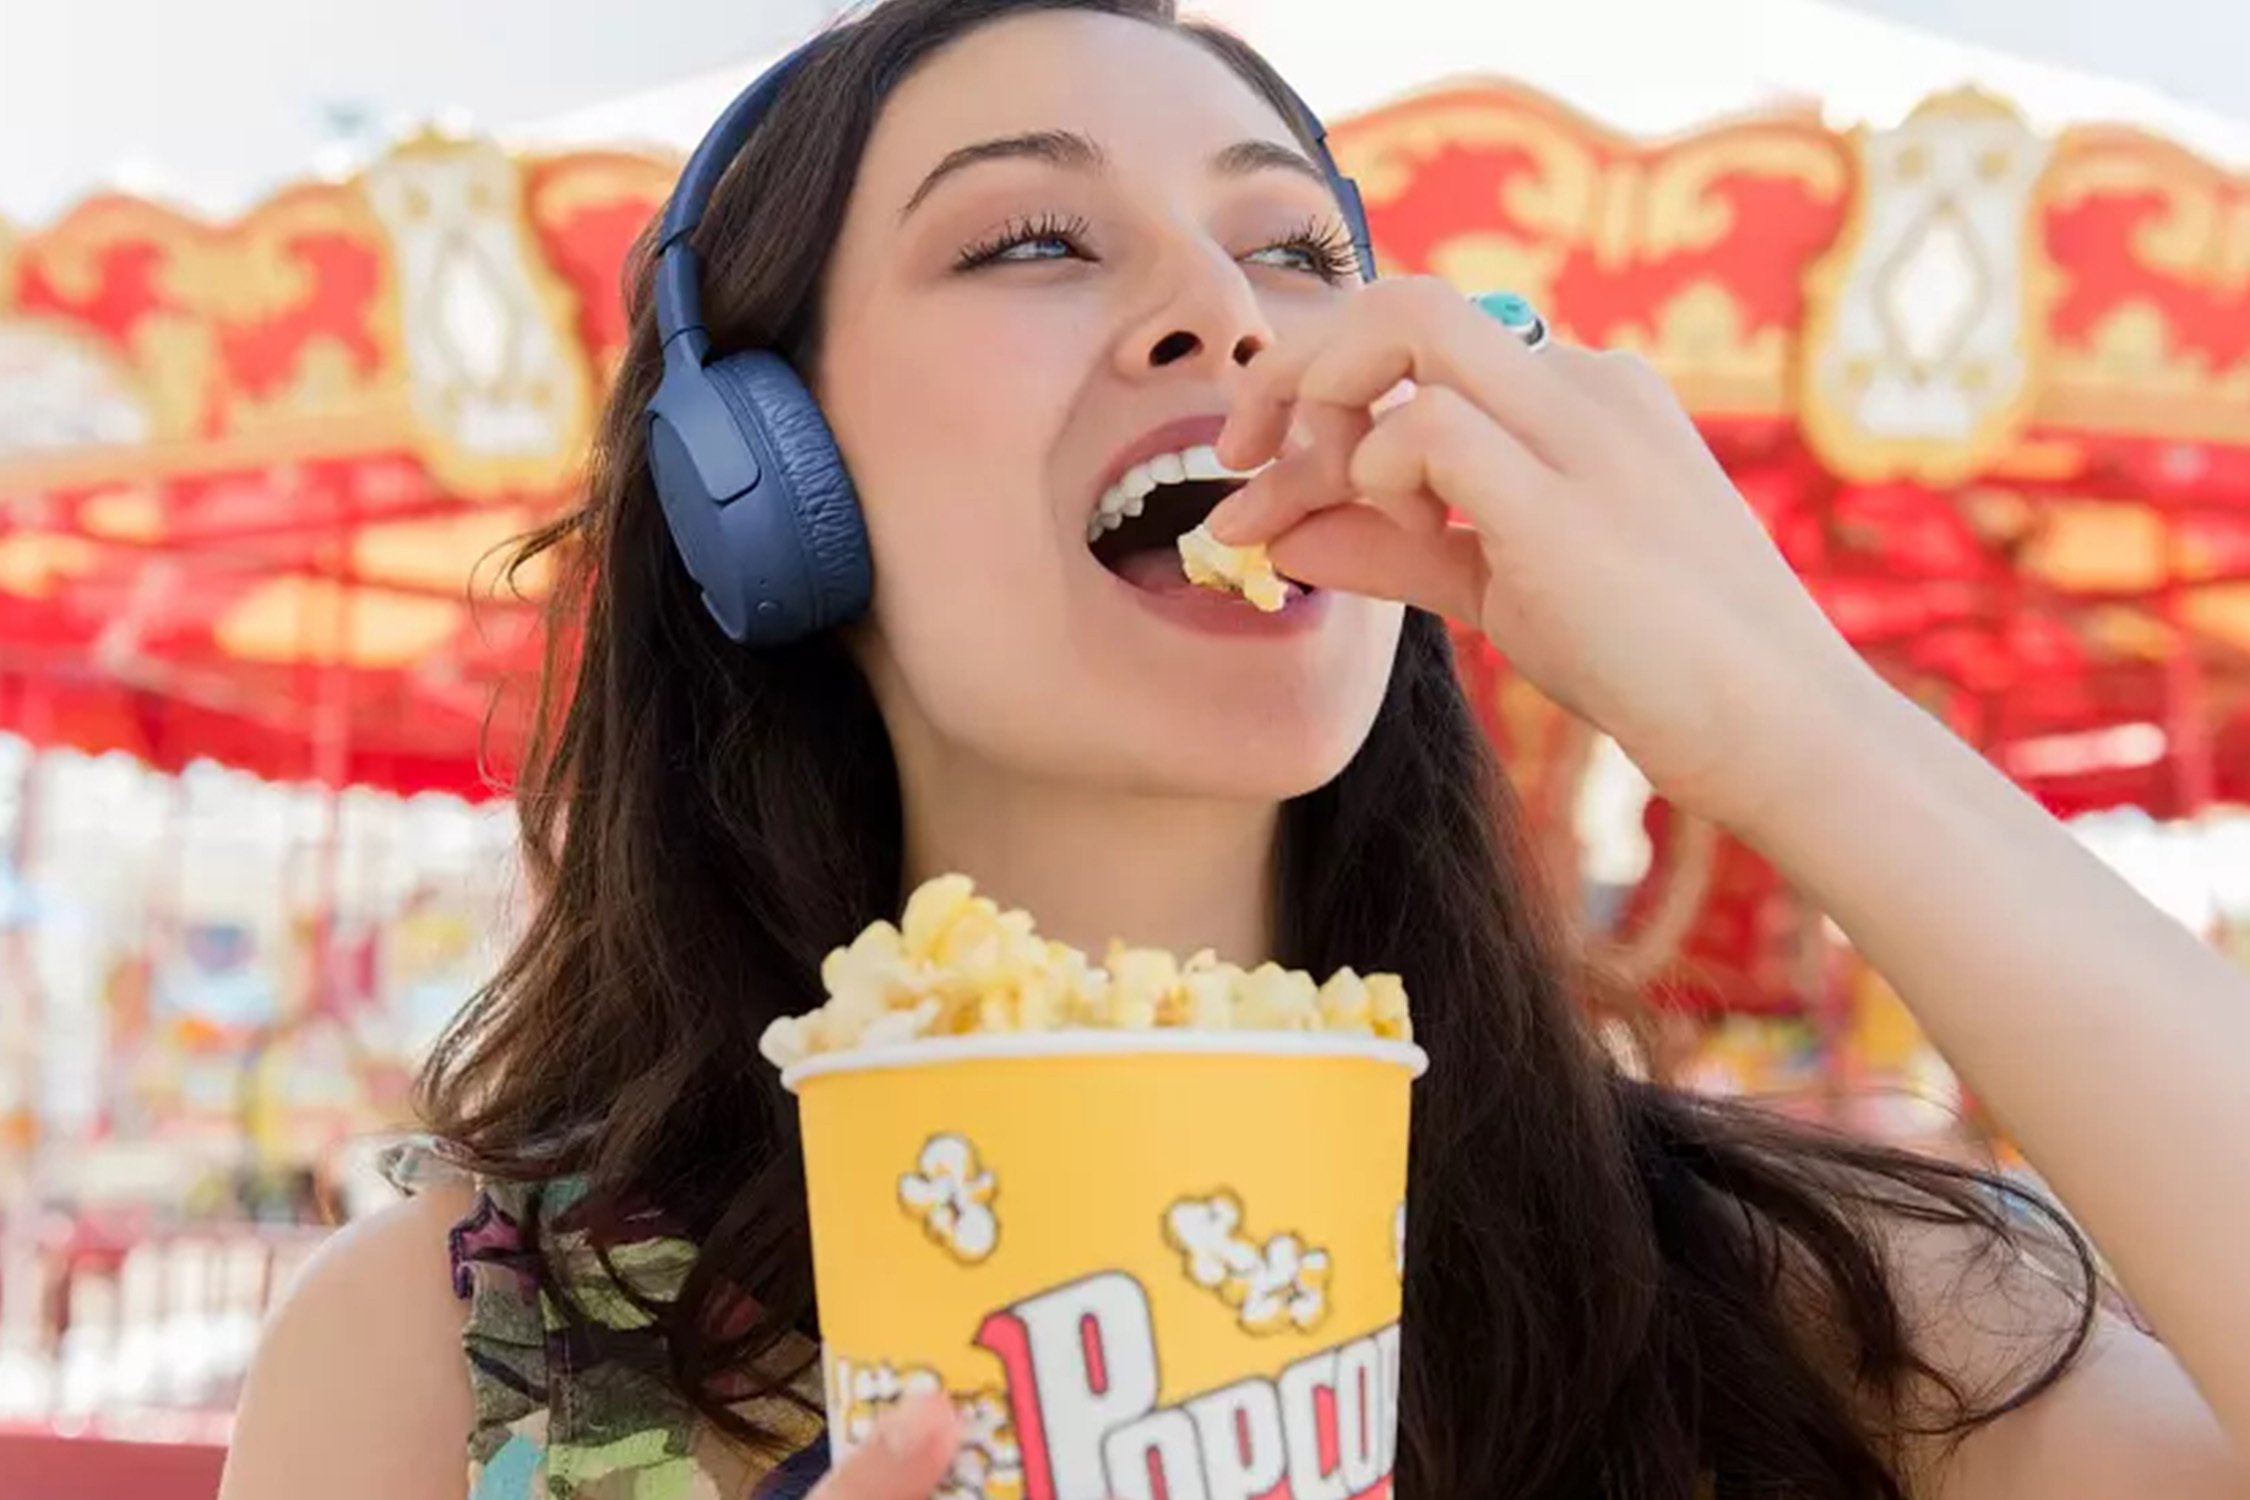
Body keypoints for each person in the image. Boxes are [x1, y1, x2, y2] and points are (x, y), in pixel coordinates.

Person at [218, 2, 2250, 1497]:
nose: (1226, 311)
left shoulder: (1838, 1313)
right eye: (1031, 240)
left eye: (1294, 251)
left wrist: (1804, 730)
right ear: (766, 476)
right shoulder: (437, 1366)